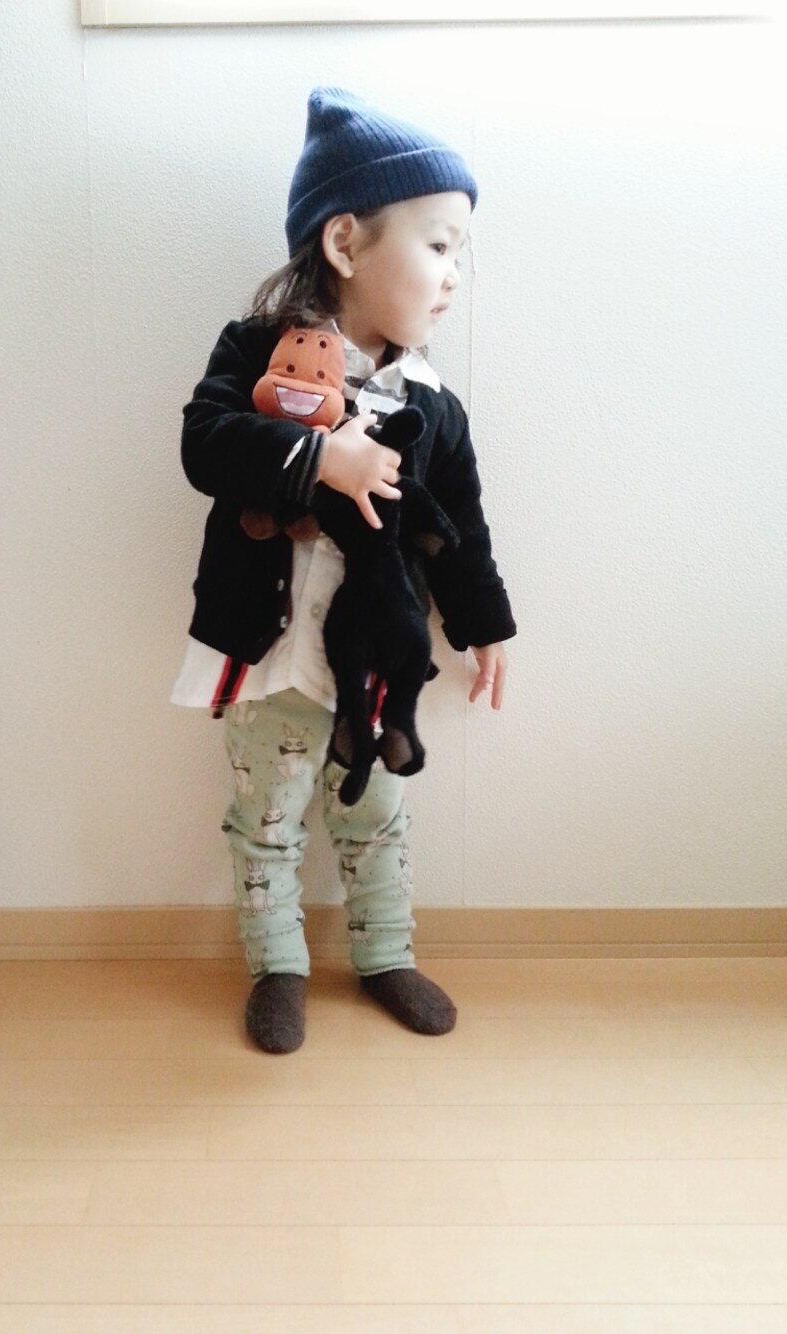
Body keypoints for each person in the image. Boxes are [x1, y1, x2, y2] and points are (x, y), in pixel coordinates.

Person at [172, 87, 516, 1054]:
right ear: (345, 243)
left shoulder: (433, 402)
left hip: (374, 660)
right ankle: (277, 966)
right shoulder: (257, 351)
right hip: (273, 651)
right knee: (268, 819)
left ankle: (384, 954)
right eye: (439, 246)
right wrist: (321, 456)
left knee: (376, 811)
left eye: (461, 254)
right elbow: (205, 443)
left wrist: (485, 623)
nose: (454, 276)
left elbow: (461, 525)